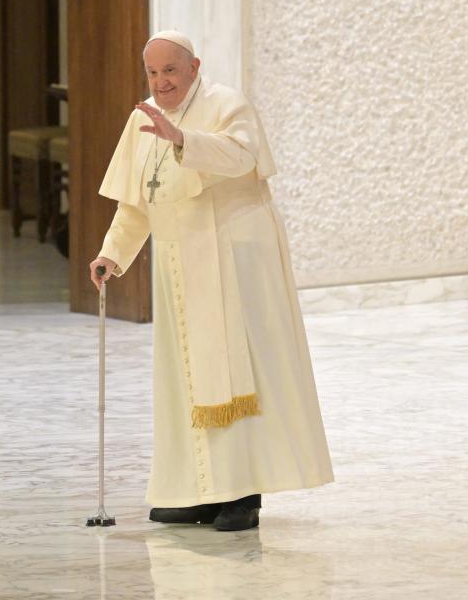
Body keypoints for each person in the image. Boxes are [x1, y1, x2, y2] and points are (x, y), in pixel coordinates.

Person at [89, 30, 334, 531]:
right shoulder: (142, 120)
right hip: (179, 266)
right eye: (153, 73)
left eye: (171, 71)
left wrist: (184, 140)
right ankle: (202, 492)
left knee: (238, 373)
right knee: (186, 381)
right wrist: (112, 254)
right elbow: (139, 200)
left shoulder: (227, 104)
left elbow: (242, 157)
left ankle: (243, 495)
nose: (161, 82)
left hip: (232, 259)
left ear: (194, 67)